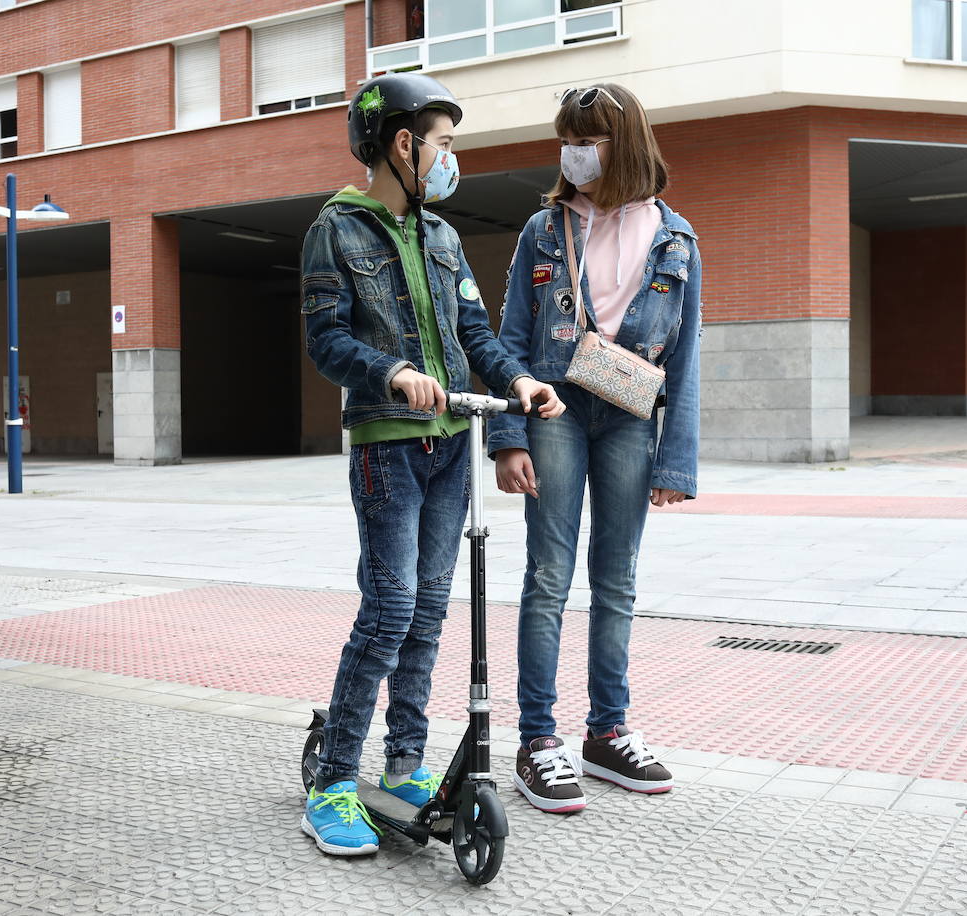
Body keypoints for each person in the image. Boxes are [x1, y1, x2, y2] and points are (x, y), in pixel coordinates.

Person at [300, 72, 565, 855]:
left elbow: (476, 335)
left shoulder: (442, 238)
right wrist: (389, 373)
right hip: (387, 443)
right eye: (443, 143)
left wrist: (516, 380)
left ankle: (406, 764)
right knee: (388, 610)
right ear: (403, 143)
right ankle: (334, 783)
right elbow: (326, 341)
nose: (452, 160)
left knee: (428, 612)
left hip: (451, 444)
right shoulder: (336, 229)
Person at [488, 83, 702, 813]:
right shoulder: (544, 229)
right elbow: (511, 337)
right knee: (548, 575)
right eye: (567, 137)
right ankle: (538, 741)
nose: (573, 151)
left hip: (631, 414)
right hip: (553, 406)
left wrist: (677, 462)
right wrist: (505, 438)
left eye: (589, 138)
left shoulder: (676, 237)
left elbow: (688, 359)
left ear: (626, 143)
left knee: (617, 578)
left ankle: (606, 732)